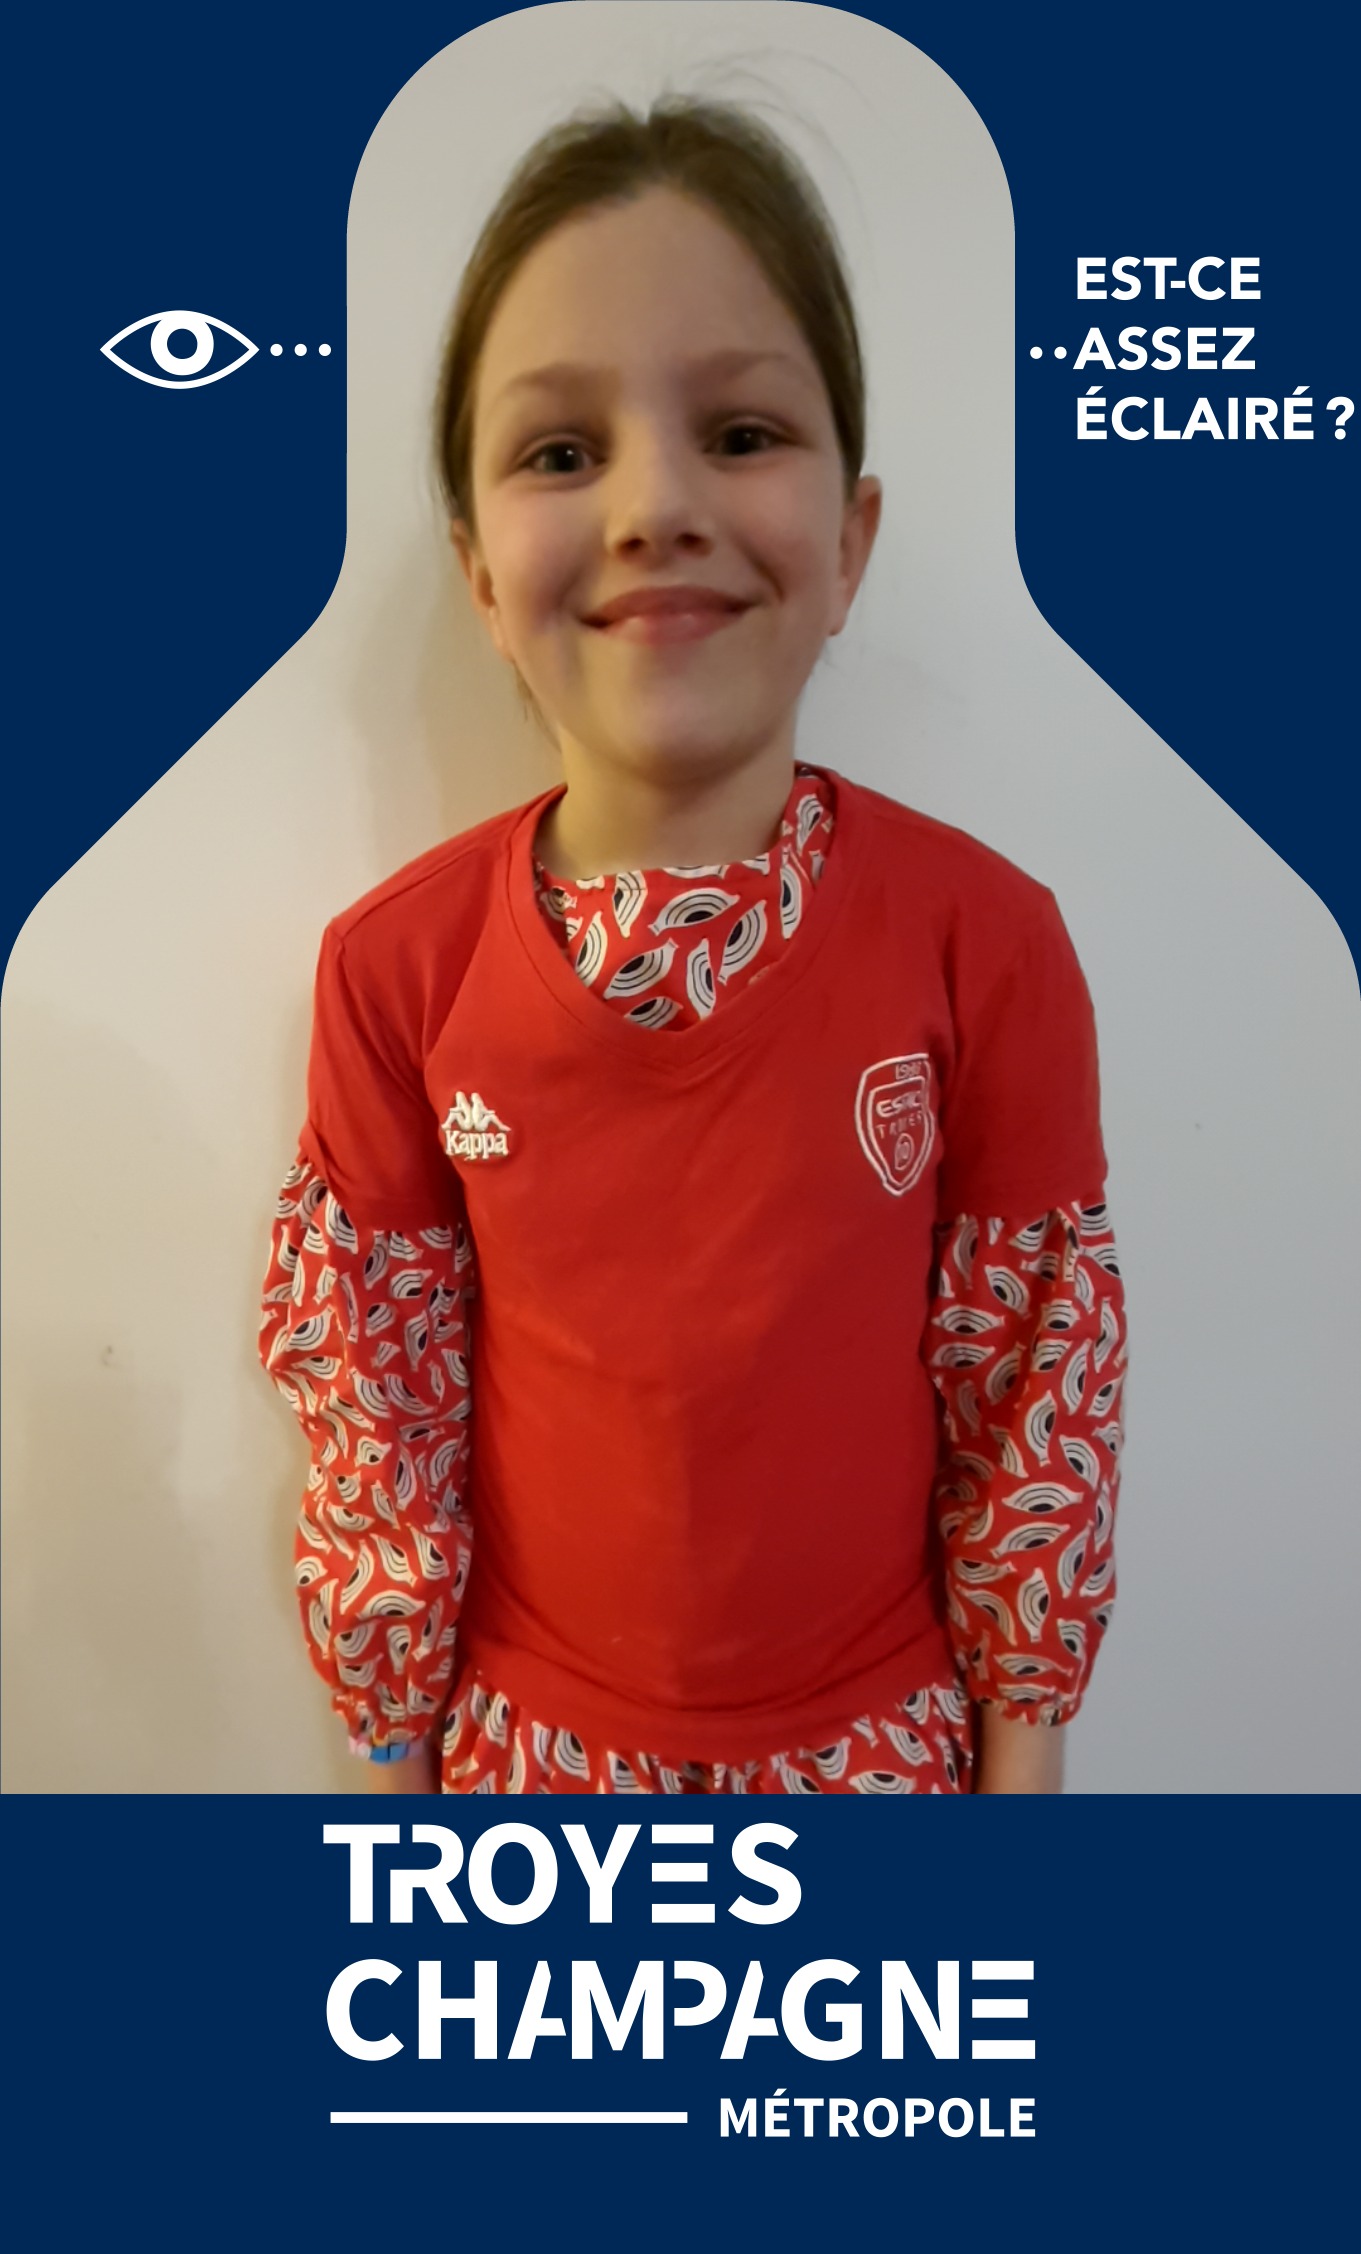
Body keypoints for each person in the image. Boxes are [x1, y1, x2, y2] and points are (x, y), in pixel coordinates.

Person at [259, 98, 1124, 1796]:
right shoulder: (395, 974)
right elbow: (379, 1425)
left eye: (737, 431)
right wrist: (391, 1813)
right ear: (481, 580)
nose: (654, 504)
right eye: (559, 452)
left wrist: (1023, 1801)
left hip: (884, 1760)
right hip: (528, 1776)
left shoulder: (988, 944)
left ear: (849, 544)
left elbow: (1037, 1401)